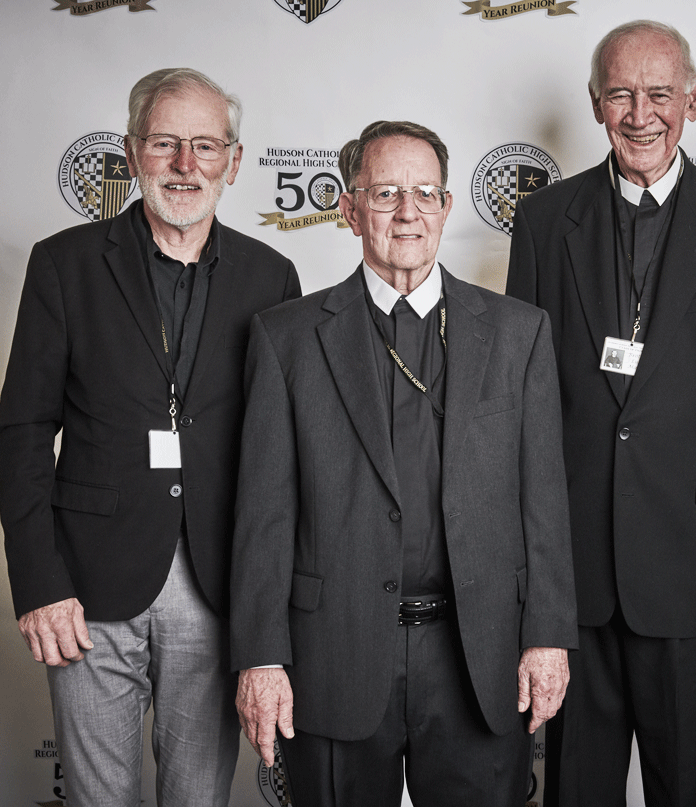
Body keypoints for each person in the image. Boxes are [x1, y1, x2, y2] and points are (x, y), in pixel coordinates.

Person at [229, 120, 577, 807]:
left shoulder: (519, 333)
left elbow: (544, 501)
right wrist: (261, 656)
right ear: (349, 208)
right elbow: (264, 514)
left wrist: (547, 636)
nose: (407, 212)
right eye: (386, 193)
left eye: (425, 194)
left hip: (478, 654)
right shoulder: (286, 338)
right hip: (335, 652)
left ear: (446, 206)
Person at [0, 68, 301, 806]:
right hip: (86, 590)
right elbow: (22, 433)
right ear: (132, 153)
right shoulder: (63, 264)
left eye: (205, 146)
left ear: (234, 160)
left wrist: (272, 613)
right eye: (165, 143)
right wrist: (39, 584)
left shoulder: (272, 278)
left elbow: (284, 458)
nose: (185, 164)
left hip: (217, 587)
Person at [505, 20, 696, 807]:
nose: (640, 115)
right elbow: (521, 405)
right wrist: (530, 568)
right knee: (575, 789)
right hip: (573, 576)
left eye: (659, 94)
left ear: (692, 100)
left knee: (689, 787)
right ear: (594, 102)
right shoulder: (542, 221)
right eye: (621, 95)